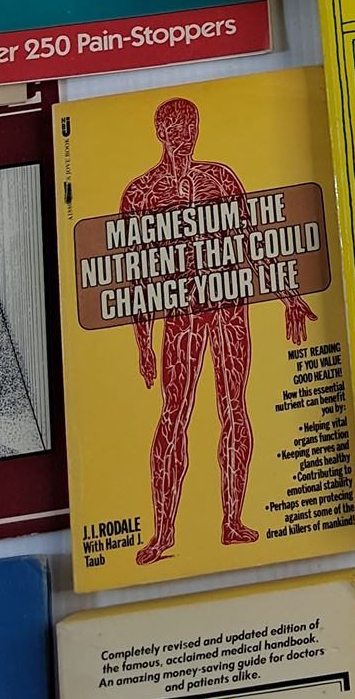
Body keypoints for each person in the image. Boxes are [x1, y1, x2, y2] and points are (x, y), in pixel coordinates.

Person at [123, 97, 311, 565]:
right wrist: (143, 343)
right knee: (174, 415)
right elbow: (137, 275)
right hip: (181, 314)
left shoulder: (221, 178)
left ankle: (232, 521)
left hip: (228, 306)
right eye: (175, 130)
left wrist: (288, 295)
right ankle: (163, 533)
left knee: (234, 408)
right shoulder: (140, 194)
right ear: (160, 133)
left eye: (190, 128)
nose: (184, 138)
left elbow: (252, 243)